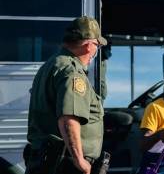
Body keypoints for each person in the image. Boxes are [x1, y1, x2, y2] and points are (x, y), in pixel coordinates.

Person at [25, 16, 107, 174]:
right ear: (89, 45)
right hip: (65, 164)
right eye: (97, 45)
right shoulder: (71, 72)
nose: (96, 52)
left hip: (48, 160)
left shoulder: (51, 65)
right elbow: (68, 119)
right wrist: (80, 161)